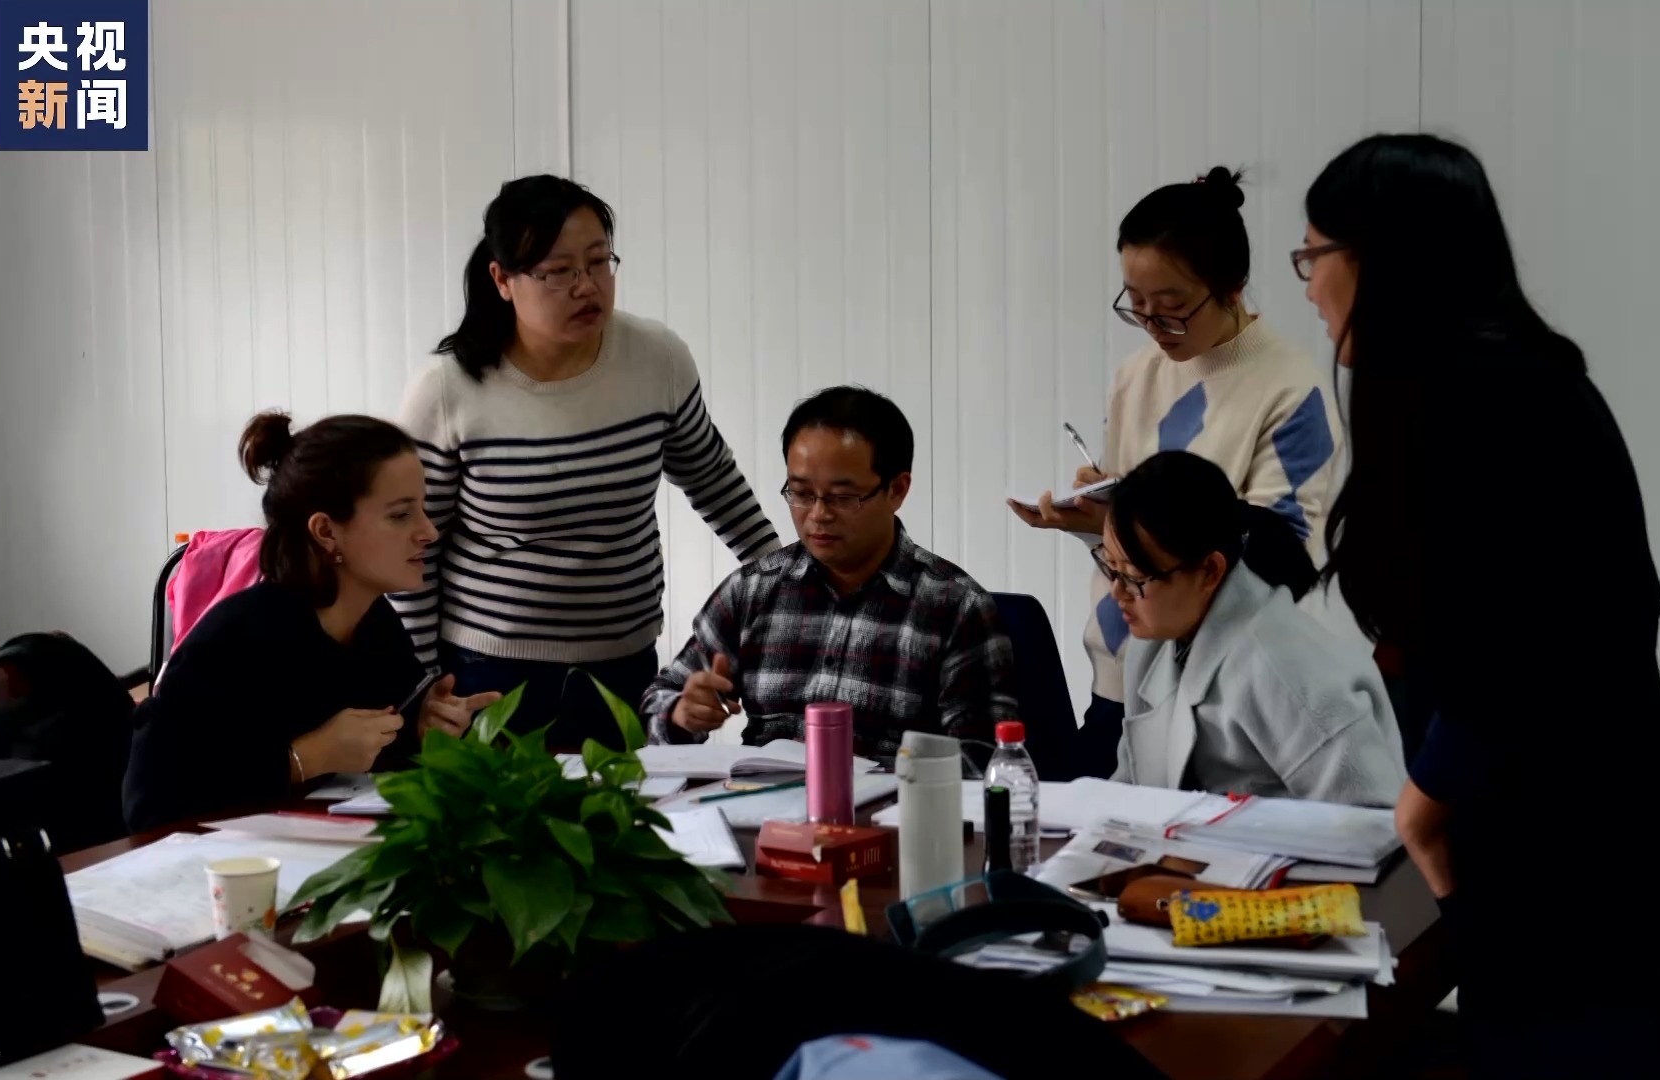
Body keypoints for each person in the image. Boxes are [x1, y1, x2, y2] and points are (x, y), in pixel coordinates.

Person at [1299, 133, 1660, 1077]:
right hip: (1555, 833)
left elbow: (1532, 649)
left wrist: (1424, 811)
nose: (1310, 284)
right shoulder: (1477, 384)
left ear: (1381, 257)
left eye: (1316, 254)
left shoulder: (1494, 397)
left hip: (1586, 850)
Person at [395, 175, 779, 748]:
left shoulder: (656, 359)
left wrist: (783, 578)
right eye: (558, 272)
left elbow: (712, 479)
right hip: (488, 676)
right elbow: (413, 548)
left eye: (599, 262)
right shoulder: (449, 389)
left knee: (622, 807)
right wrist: (423, 683)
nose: (586, 286)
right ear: (502, 279)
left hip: (625, 665)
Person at [1008, 168, 1341, 779]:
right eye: (1136, 307)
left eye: (1172, 309)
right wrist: (1096, 524)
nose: (1155, 327)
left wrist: (1141, 525)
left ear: (1232, 288)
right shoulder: (1137, 376)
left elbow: (1284, 561)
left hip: (1225, 697)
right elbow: (1134, 548)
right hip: (1120, 681)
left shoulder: (1292, 391)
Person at [124, 413, 502, 832]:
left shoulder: (376, 625)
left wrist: (422, 727)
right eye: (400, 515)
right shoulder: (238, 638)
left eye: (423, 510)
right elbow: (151, 803)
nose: (428, 531)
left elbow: (376, 760)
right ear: (325, 531)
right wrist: (303, 759)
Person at [644, 387, 1014, 758]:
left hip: (895, 795)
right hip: (763, 793)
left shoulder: (954, 608)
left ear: (897, 490)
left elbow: (982, 760)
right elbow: (658, 700)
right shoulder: (752, 591)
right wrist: (680, 714)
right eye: (802, 494)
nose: (819, 514)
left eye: (842, 497)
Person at [1103, 452, 1402, 806]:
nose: (1117, 591)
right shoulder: (1152, 643)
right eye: (1110, 567)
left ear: (1210, 571)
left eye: (1135, 576)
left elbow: (1370, 818)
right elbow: (1130, 787)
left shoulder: (1283, 666)